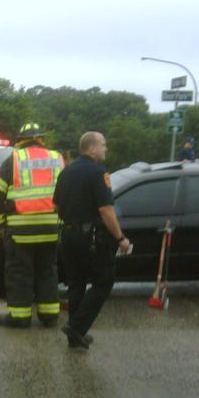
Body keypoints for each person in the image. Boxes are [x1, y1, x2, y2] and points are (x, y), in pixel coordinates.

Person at [54, 131, 131, 350]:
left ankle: (75, 335)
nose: (105, 149)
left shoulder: (66, 172)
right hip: (92, 238)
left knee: (76, 284)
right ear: (91, 148)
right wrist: (120, 238)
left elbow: (57, 207)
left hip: (68, 235)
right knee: (104, 281)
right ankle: (76, 328)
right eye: (103, 145)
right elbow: (106, 210)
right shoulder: (99, 173)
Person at [0, 123, 65, 328]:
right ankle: (49, 315)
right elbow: (66, 191)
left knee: (19, 271)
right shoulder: (57, 158)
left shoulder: (14, 159)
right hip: (50, 227)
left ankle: (20, 317)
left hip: (20, 230)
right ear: (41, 139)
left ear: (21, 140)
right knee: (47, 270)